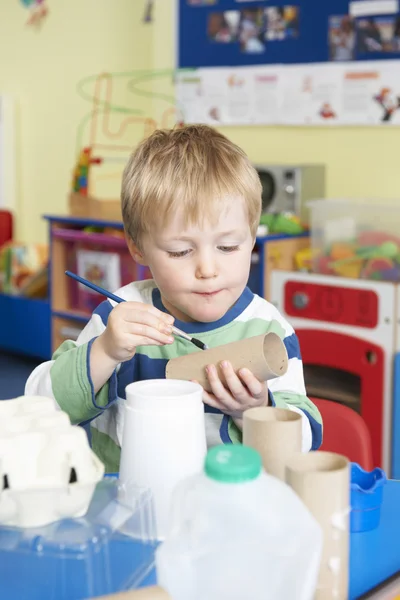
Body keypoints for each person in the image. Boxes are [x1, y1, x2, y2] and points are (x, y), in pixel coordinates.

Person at [25, 125, 322, 473]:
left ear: (252, 237)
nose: (208, 269)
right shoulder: (117, 318)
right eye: (181, 252)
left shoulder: (268, 329)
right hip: (128, 506)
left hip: (226, 508)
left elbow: (304, 439)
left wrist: (254, 411)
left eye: (228, 247)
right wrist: (104, 352)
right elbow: (40, 407)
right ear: (137, 247)